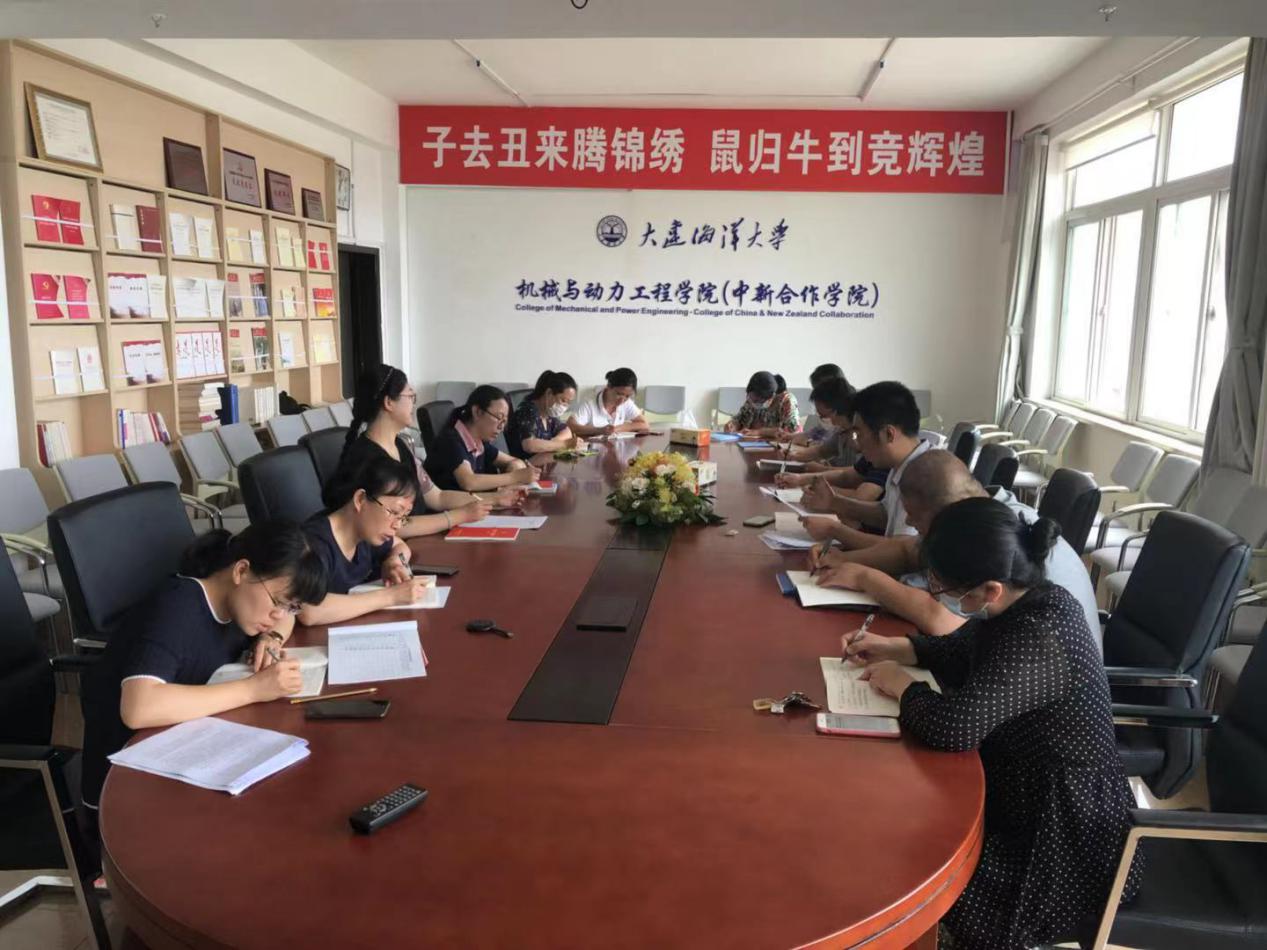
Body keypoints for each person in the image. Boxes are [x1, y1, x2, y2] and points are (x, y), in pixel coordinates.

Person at [843, 497, 1139, 949]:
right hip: (1019, 788)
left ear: (990, 590)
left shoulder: (1041, 634)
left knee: (924, 870)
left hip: (1061, 835)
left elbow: (954, 728)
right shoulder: (1019, 603)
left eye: (943, 588)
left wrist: (903, 686)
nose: (938, 596)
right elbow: (960, 649)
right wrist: (895, 647)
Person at [81, 521, 329, 811]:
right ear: (241, 571)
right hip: (127, 785)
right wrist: (253, 689)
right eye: (278, 602)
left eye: (290, 606)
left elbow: (286, 617)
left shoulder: (241, 604)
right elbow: (139, 708)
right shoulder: (177, 609)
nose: (280, 615)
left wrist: (270, 637)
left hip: (187, 754)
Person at [812, 450, 1101, 647]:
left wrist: (865, 577)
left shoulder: (994, 537)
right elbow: (907, 551)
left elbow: (944, 621)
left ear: (947, 512)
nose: (909, 522)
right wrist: (844, 557)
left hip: (1036, 688)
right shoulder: (982, 515)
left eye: (915, 516)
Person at [332, 364, 515, 537]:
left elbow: (438, 497)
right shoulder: (368, 457)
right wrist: (458, 516)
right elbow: (395, 527)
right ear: (389, 402)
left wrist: (495, 499)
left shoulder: (401, 446)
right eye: (410, 397)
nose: (414, 404)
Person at [300, 455, 435, 625]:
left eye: (404, 517)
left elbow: (400, 545)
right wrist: (392, 596)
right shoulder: (314, 543)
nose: (397, 525)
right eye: (394, 512)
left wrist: (393, 562)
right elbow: (308, 610)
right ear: (360, 499)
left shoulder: (365, 532)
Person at [797, 381, 930, 549]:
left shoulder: (923, 474)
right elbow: (885, 514)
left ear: (888, 434)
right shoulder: (901, 463)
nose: (857, 444)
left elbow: (900, 549)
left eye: (859, 434)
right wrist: (834, 502)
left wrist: (834, 530)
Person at [424, 385, 540, 491]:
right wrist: (514, 477)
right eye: (498, 418)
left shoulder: (479, 443)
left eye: (504, 421)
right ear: (477, 412)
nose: (501, 427)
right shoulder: (451, 441)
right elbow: (469, 482)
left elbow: (514, 461)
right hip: (450, 506)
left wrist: (516, 468)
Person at [507, 370, 582, 457]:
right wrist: (564, 444)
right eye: (563, 400)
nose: (565, 406)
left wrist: (553, 443)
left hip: (542, 460)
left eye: (568, 403)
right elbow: (529, 445)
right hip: (523, 463)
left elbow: (566, 430)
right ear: (549, 393)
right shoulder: (527, 410)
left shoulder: (548, 413)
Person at [568, 367, 649, 438]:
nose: (622, 400)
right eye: (619, 394)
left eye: (627, 396)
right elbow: (570, 426)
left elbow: (644, 424)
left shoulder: (626, 402)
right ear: (608, 386)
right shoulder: (589, 403)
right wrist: (599, 430)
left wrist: (617, 428)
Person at [725, 371, 799, 437]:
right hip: (749, 444)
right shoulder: (751, 400)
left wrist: (759, 432)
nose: (753, 402)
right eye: (750, 397)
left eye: (757, 400)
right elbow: (739, 420)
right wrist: (733, 425)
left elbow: (792, 431)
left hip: (776, 445)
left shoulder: (786, 401)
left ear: (771, 397)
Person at [788, 363, 845, 446]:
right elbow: (819, 429)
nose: (818, 394)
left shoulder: (845, 414)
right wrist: (791, 437)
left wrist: (808, 443)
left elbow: (833, 446)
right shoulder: (824, 407)